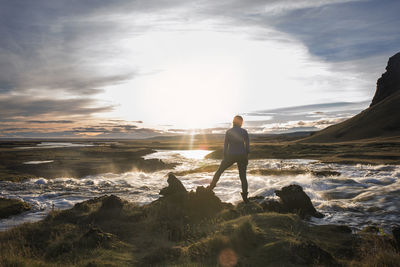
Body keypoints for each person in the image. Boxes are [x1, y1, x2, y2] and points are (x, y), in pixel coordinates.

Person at [209, 115, 250, 203]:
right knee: (243, 177)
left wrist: (225, 156)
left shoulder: (229, 132)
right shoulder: (244, 132)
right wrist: (246, 156)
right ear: (241, 122)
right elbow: (247, 147)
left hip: (230, 155)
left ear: (233, 122)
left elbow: (225, 145)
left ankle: (211, 187)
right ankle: (245, 198)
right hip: (242, 155)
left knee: (219, 171)